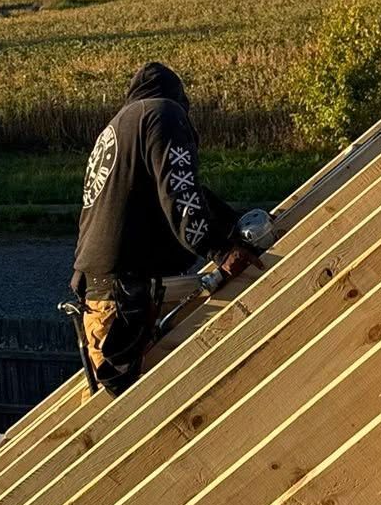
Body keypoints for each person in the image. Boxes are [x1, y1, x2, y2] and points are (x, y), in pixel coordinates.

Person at [70, 61, 253, 396]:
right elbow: (179, 193)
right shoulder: (164, 114)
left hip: (103, 297)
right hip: (124, 304)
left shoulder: (122, 125)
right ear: (179, 99)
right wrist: (220, 250)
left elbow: (180, 192)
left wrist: (233, 223)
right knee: (136, 428)